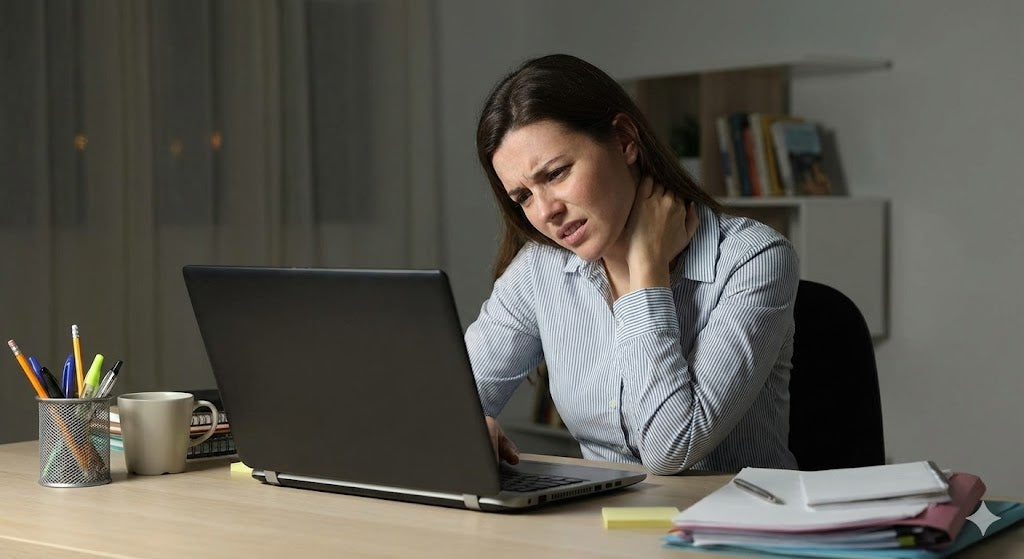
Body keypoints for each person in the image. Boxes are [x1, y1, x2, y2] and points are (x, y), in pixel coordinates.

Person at [466, 54, 799, 475]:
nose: (545, 211)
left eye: (555, 174)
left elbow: (669, 449)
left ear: (625, 140)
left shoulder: (753, 259)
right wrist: (467, 428)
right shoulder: (539, 269)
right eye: (523, 197)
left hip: (733, 528)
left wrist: (646, 274)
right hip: (602, 525)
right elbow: (450, 403)